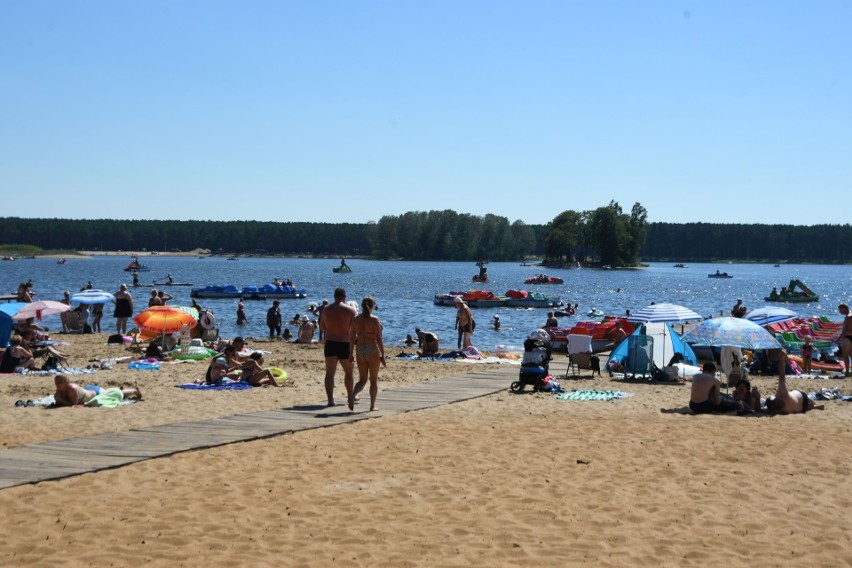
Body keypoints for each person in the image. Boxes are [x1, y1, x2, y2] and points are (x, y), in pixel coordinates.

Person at [318, 287, 357, 407]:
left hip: (330, 342)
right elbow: (355, 329)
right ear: (344, 296)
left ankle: (330, 400)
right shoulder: (351, 310)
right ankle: (350, 397)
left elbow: (322, 327)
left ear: (334, 296)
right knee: (349, 372)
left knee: (330, 372)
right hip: (344, 343)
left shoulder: (326, 310)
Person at [349, 296, 385, 411]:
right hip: (372, 349)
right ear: (372, 306)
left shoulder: (355, 319)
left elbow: (351, 338)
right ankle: (372, 406)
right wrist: (382, 355)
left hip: (360, 349)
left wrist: (350, 353)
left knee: (362, 380)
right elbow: (378, 339)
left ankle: (353, 395)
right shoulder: (374, 320)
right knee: (373, 380)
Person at [53, 374, 142, 406]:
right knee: (109, 391)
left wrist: (60, 399)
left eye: (59, 382)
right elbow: (58, 402)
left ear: (66, 382)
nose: (57, 384)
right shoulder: (60, 388)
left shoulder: (72, 389)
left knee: (116, 393)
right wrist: (58, 399)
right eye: (56, 383)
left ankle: (134, 391)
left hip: (96, 392)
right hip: (87, 389)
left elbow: (73, 404)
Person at [839, 304, 852, 378]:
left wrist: (838, 338)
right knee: (851, 354)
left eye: (840, 310)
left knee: (845, 354)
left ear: (844, 308)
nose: (840, 312)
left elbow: (845, 330)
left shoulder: (848, 317)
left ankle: (847, 371)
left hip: (848, 337)